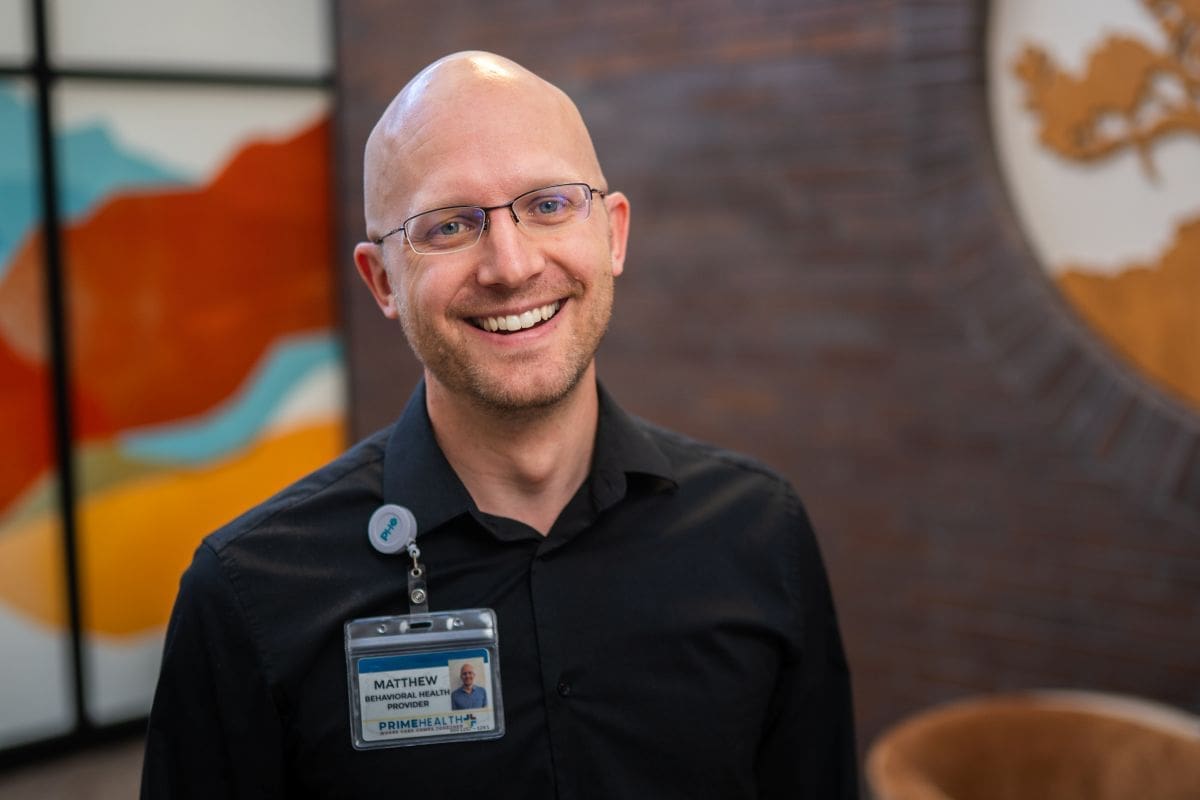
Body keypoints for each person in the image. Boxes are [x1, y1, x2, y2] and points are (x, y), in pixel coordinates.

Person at [142, 51, 857, 799]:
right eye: (449, 225)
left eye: (548, 205)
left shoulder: (758, 532)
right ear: (383, 280)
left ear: (612, 235)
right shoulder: (250, 592)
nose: (510, 267)